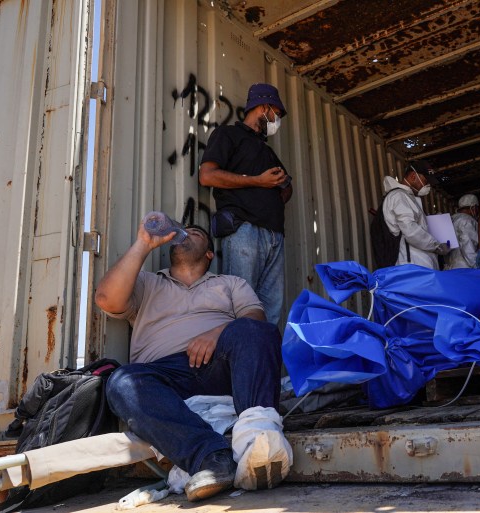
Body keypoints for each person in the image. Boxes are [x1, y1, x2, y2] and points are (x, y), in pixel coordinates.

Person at [95, 222, 284, 501]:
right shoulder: (147, 282)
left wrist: (217, 334)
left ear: (209, 254)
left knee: (257, 331)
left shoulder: (230, 283)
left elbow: (256, 320)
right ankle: (212, 459)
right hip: (165, 378)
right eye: (181, 232)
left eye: (195, 233)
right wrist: (144, 243)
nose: (184, 234)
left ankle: (259, 443)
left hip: (220, 367)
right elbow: (106, 300)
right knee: (121, 381)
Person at [199, 83, 293, 326]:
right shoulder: (228, 134)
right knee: (240, 307)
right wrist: (257, 183)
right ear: (263, 108)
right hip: (244, 231)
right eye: (277, 114)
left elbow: (286, 187)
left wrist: (276, 194)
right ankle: (239, 361)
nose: (277, 120)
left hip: (275, 235)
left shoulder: (266, 150)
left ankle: (263, 363)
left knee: (270, 313)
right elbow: (207, 176)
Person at [382, 160, 450, 269]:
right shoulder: (399, 196)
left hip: (419, 264)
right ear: (413, 176)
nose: (428, 185)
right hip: (413, 266)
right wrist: (437, 246)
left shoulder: (407, 197)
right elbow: (411, 230)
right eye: (425, 180)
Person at [445, 194, 479, 269]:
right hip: (465, 267)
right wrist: (476, 266)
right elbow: (467, 244)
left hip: (451, 266)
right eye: (477, 208)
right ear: (473, 208)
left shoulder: (451, 219)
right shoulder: (466, 220)